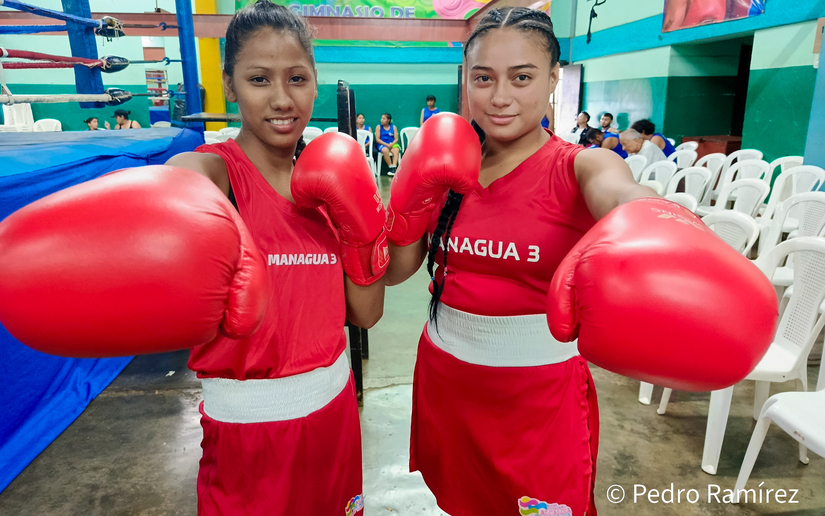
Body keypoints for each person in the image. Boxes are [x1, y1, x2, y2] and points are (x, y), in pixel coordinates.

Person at [382, 7, 776, 516]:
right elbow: (398, 272)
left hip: (536, 399)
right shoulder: (448, 166)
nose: (500, 97)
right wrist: (407, 207)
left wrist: (655, 221)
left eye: (521, 77)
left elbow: (621, 193)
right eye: (483, 78)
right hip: (446, 380)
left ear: (551, 81)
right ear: (466, 83)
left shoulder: (580, 164)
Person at [0, 2, 387, 514]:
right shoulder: (213, 172)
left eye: (297, 78)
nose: (280, 98)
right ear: (229, 85)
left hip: (334, 423)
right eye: (257, 78)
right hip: (247, 441)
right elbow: (182, 183)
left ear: (315, 83)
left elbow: (365, 314)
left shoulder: (328, 184)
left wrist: (362, 236)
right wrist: (185, 207)